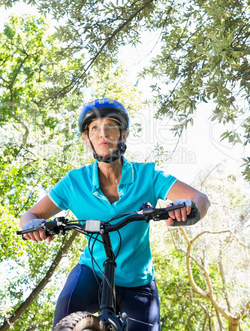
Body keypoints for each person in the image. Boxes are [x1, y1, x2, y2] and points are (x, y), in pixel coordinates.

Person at [20, 98, 210, 330]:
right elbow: (30, 215)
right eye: (94, 128)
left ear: (124, 134)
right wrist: (33, 226)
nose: (103, 134)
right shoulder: (74, 183)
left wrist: (190, 209)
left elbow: (201, 199)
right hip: (92, 272)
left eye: (111, 125)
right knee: (65, 312)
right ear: (87, 139)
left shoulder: (148, 176)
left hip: (137, 281)